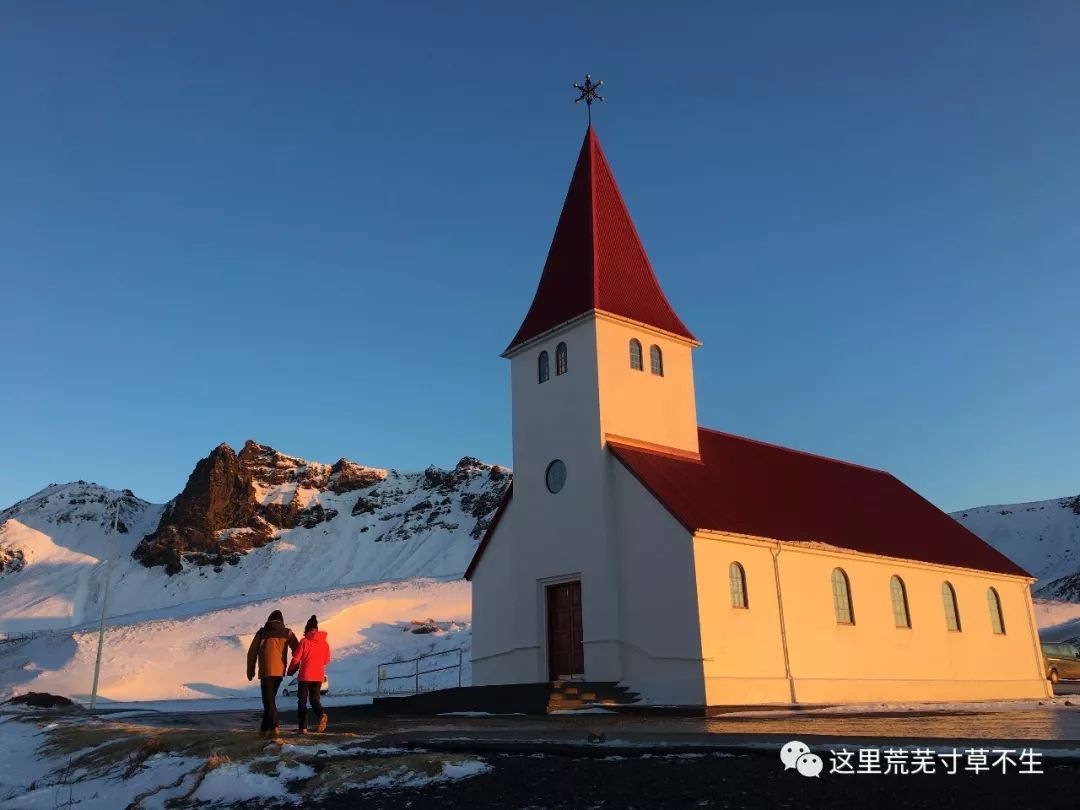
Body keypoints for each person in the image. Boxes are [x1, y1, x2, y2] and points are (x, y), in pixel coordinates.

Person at [246, 609, 299, 736]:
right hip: (279, 671)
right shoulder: (288, 633)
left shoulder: (262, 632)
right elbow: (297, 650)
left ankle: (275, 726)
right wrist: (295, 666)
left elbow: (251, 653)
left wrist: (250, 670)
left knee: (268, 701)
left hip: (266, 671)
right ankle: (264, 729)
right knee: (269, 700)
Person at [287, 614, 331, 734]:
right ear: (317, 629)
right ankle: (321, 714)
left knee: (302, 701)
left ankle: (303, 728)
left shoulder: (304, 641)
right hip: (318, 676)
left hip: (305, 675)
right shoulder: (324, 643)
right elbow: (326, 660)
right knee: (314, 699)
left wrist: (290, 670)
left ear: (306, 629)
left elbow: (296, 659)